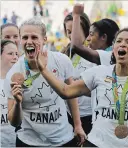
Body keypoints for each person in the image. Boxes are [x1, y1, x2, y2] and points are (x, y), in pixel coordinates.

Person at [5, 18, 86, 147]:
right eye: (25, 37)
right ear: (20, 40)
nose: (29, 41)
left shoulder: (61, 60)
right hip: (29, 142)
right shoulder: (14, 74)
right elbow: (14, 123)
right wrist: (18, 103)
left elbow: (71, 95)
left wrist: (77, 125)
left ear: (44, 39)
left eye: (34, 37)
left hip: (63, 139)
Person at [62, 11, 94, 135]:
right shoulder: (64, 54)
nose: (71, 35)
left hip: (90, 116)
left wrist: (76, 87)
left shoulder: (95, 54)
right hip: (67, 115)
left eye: (75, 30)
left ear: (86, 30)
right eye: (69, 32)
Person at [1, 40, 19, 147]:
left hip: (16, 140)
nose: (15, 57)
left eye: (17, 54)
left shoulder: (20, 81)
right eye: (10, 53)